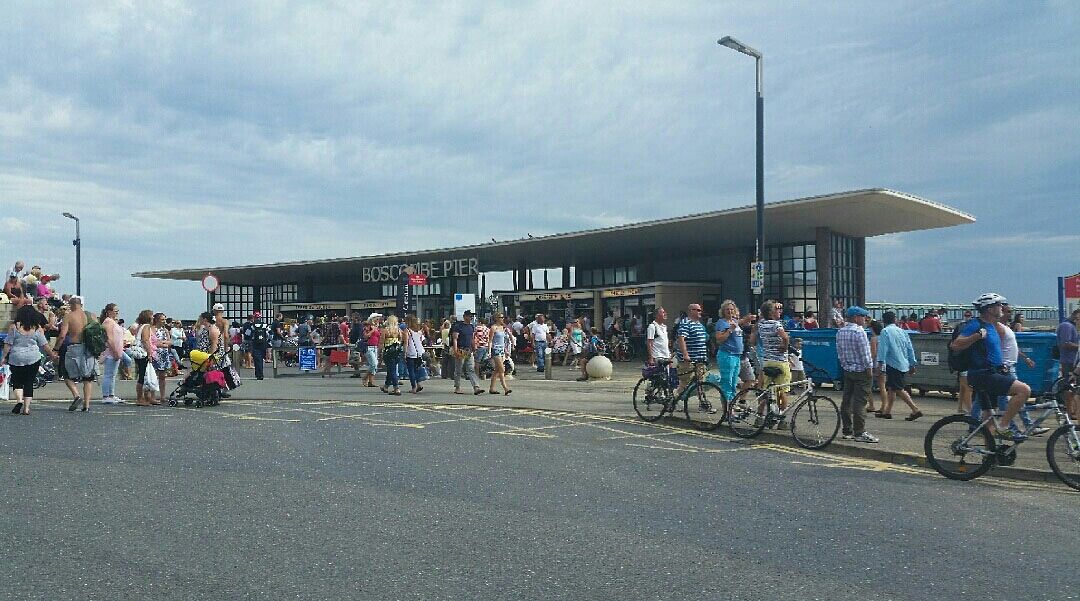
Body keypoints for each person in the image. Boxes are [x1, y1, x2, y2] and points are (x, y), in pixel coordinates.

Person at [950, 293, 1031, 441]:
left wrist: (1002, 366)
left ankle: (990, 457)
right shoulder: (976, 325)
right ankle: (1004, 426)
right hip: (983, 375)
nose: (1002, 307)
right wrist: (977, 336)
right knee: (1023, 390)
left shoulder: (992, 326)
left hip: (992, 372)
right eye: (999, 305)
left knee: (988, 420)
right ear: (989, 309)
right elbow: (955, 345)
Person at [971, 304, 1047, 436]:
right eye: (1008, 311)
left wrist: (1025, 358)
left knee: (984, 400)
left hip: (1007, 366)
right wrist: (1000, 365)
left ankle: (976, 425)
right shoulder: (998, 328)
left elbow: (1013, 347)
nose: (1010, 313)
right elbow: (995, 348)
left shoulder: (1006, 327)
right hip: (1003, 368)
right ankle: (1010, 427)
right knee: (1015, 395)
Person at [1, 305, 58, 415]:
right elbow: (44, 344)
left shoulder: (14, 327)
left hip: (16, 358)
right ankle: (26, 408)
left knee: (17, 381)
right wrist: (52, 355)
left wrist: (3, 357)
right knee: (29, 382)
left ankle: (19, 401)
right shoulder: (37, 328)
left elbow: (8, 344)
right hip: (33, 357)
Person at [835, 306, 879, 443]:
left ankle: (847, 430)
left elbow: (840, 353)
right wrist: (869, 369)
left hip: (848, 370)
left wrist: (845, 366)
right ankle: (859, 432)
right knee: (860, 403)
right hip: (861, 371)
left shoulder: (840, 332)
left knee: (846, 401)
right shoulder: (859, 332)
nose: (865, 319)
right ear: (855, 318)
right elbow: (865, 354)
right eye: (863, 316)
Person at [748, 300, 791, 427]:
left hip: (767, 362)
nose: (779, 311)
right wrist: (785, 346)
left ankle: (759, 418)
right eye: (776, 309)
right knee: (781, 391)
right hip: (780, 362)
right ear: (771, 312)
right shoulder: (777, 324)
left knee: (764, 391)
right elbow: (785, 337)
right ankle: (782, 420)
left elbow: (753, 341)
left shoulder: (760, 324)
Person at [875, 311, 923, 421]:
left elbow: (883, 349)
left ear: (883, 321)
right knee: (892, 388)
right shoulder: (902, 331)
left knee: (898, 388)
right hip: (903, 363)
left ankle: (915, 409)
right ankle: (887, 411)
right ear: (895, 319)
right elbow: (909, 348)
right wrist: (913, 363)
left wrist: (880, 364)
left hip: (893, 363)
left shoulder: (885, 331)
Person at [55, 295, 97, 411]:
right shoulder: (92, 315)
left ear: (72, 305)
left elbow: (63, 335)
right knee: (87, 378)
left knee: (66, 374)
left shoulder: (69, 316)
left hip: (75, 347)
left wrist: (56, 348)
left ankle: (76, 395)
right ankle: (86, 405)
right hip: (89, 349)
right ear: (81, 305)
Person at [674, 303, 711, 409]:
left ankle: (702, 403)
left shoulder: (699, 324)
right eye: (697, 310)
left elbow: (704, 338)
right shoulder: (686, 323)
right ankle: (674, 400)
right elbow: (681, 338)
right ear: (691, 311)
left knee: (700, 382)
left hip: (700, 359)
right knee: (685, 382)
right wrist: (685, 355)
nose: (700, 312)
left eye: (700, 310)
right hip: (689, 360)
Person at [713, 301, 744, 402]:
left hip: (737, 355)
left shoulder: (735, 321)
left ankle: (732, 407)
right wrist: (730, 330)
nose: (730, 311)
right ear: (723, 311)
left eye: (731, 309)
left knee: (734, 383)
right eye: (727, 309)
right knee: (727, 383)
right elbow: (719, 339)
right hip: (727, 355)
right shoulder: (722, 323)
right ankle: (726, 410)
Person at [99, 303, 126, 404]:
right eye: (116, 311)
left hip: (116, 351)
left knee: (112, 375)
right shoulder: (108, 322)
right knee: (108, 375)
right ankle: (106, 396)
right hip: (111, 352)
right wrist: (115, 351)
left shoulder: (113, 322)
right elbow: (109, 339)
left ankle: (111, 394)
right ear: (109, 312)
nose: (117, 313)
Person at [451, 310, 483, 395]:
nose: (471, 317)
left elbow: (472, 338)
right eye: (470, 316)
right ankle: (457, 387)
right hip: (461, 350)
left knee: (471, 369)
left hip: (469, 350)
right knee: (458, 370)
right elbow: (455, 338)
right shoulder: (458, 326)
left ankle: (476, 387)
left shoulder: (471, 327)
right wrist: (455, 350)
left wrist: (474, 348)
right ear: (465, 316)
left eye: (472, 316)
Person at [1057, 309, 1080, 419]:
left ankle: (1073, 411)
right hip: (1069, 361)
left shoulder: (1071, 326)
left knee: (1073, 387)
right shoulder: (1067, 326)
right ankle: (1070, 412)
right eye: (1077, 319)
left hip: (1073, 361)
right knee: (1070, 387)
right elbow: (1065, 344)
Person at [148, 312, 173, 405]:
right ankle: (152, 396)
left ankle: (163, 396)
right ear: (157, 320)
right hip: (156, 354)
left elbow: (170, 342)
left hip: (164, 354)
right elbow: (153, 342)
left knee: (163, 376)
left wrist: (163, 343)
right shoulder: (152, 329)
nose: (164, 321)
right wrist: (162, 343)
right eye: (162, 319)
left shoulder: (165, 330)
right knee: (154, 375)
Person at [487, 313, 512, 395]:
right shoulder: (493, 328)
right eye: (501, 317)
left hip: (501, 349)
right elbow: (490, 341)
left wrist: (505, 350)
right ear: (496, 318)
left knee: (497, 370)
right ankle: (505, 388)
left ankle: (492, 388)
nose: (502, 319)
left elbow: (503, 341)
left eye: (503, 317)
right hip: (495, 349)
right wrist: (489, 351)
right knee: (502, 369)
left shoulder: (502, 328)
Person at [380, 315, 403, 395]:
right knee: (391, 369)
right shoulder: (398, 330)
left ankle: (396, 388)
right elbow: (401, 339)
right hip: (396, 352)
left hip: (388, 352)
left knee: (392, 370)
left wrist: (380, 352)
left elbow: (381, 342)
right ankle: (386, 386)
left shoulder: (385, 330)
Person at [868, 320, 887, 414]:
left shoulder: (873, 339)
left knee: (868, 385)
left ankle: (871, 405)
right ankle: (884, 406)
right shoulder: (883, 338)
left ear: (872, 328)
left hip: (875, 364)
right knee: (882, 386)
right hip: (884, 364)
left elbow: (873, 354)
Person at [403, 315, 426, 394]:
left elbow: (406, 343)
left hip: (411, 352)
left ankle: (414, 387)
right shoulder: (419, 330)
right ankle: (418, 384)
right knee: (416, 369)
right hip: (419, 352)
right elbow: (422, 341)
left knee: (411, 370)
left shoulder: (407, 331)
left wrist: (404, 353)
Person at [246, 312, 271, 380]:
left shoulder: (252, 325)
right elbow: (270, 333)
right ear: (260, 317)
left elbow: (247, 334)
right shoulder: (265, 325)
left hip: (255, 344)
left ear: (254, 317)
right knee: (261, 359)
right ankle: (261, 374)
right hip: (263, 344)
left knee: (257, 359)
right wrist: (267, 341)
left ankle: (258, 374)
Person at [361, 318, 381, 387]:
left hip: (375, 347)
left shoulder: (377, 329)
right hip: (369, 347)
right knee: (374, 364)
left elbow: (379, 337)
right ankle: (365, 377)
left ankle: (371, 381)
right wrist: (372, 330)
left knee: (375, 365)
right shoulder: (367, 329)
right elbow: (365, 337)